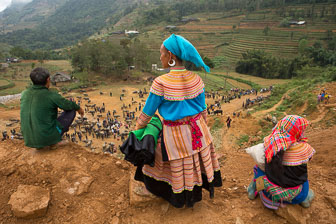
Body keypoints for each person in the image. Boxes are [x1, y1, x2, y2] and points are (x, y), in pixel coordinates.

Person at [133, 34, 222, 208]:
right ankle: (193, 191)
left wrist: (137, 131)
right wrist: (203, 133)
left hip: (175, 134)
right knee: (194, 158)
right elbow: (203, 111)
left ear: (171, 56)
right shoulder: (197, 79)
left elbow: (147, 114)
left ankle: (169, 192)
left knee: (154, 152)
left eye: (162, 54)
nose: (160, 57)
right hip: (199, 131)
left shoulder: (161, 83)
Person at [247, 115, 315, 209]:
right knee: (304, 178)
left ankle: (252, 190)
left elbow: (261, 158)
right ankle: (306, 199)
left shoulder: (270, 144)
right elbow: (309, 159)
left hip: (270, 194)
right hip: (297, 197)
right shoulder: (304, 149)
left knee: (259, 167)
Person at [20, 67, 84, 149]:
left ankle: (39, 143)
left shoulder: (24, 94)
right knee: (71, 111)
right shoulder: (51, 95)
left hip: (29, 139)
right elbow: (68, 105)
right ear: (48, 79)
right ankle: (53, 143)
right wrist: (78, 108)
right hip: (47, 137)